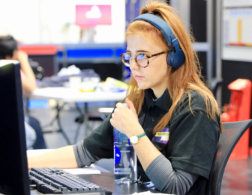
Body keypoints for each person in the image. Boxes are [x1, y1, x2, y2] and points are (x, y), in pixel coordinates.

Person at [28, 1, 221, 194]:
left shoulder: (195, 107)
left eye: (143, 56)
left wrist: (134, 132)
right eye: (130, 56)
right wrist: (20, 162)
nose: (133, 66)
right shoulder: (136, 102)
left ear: (173, 57)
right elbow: (84, 152)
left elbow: (175, 186)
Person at [0, 35, 47, 149]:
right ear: (9, 55)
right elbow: (31, 87)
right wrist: (24, 61)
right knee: (31, 131)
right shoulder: (8, 67)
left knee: (34, 122)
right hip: (10, 119)